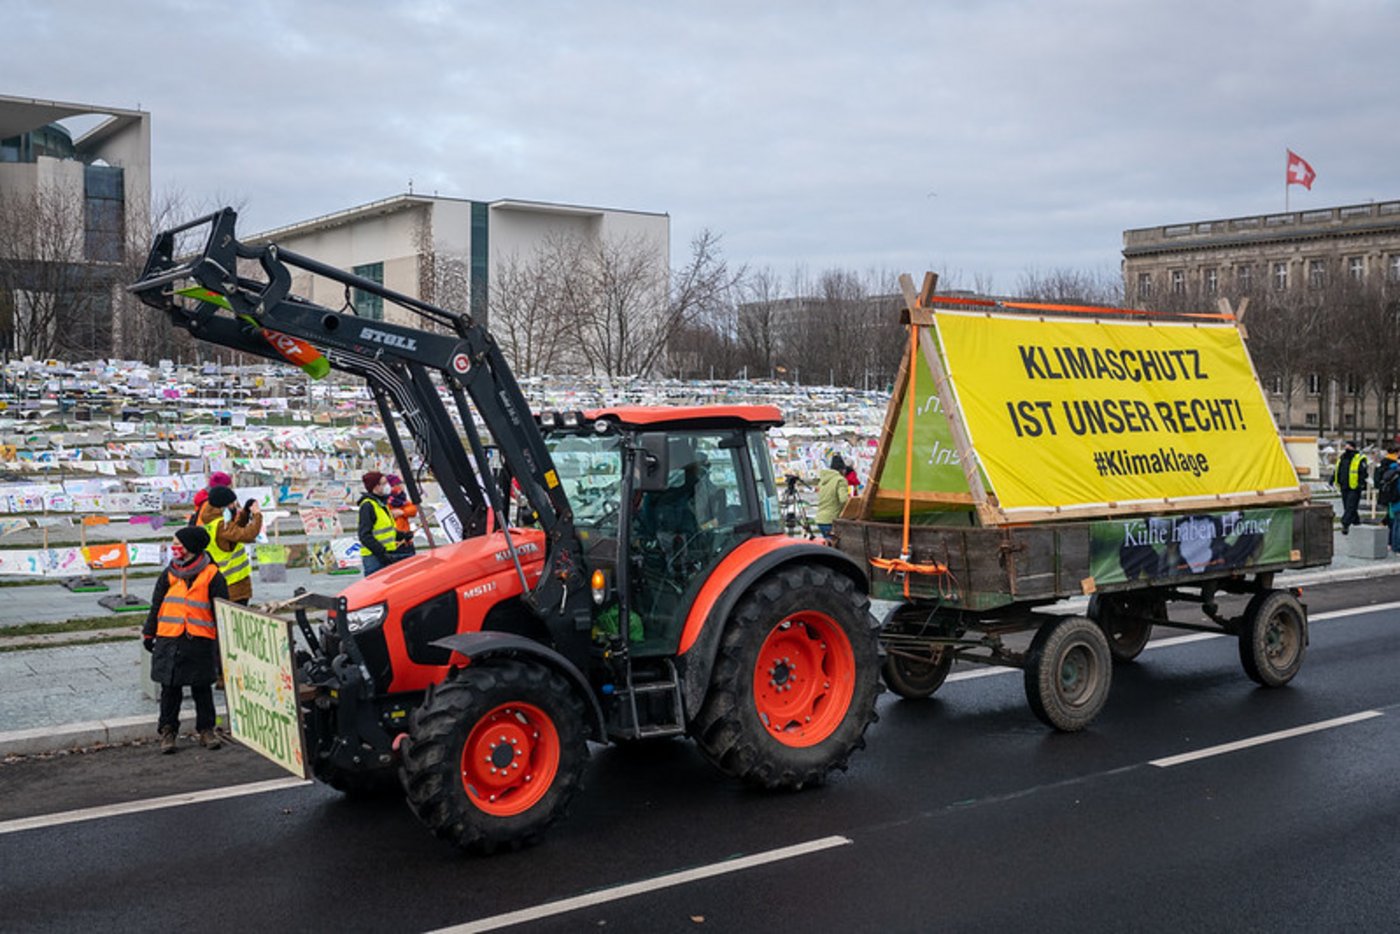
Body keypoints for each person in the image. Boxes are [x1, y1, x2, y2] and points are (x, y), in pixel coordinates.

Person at [143, 526, 228, 754]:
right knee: (170, 688)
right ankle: (168, 731)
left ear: (190, 547)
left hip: (199, 640)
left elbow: (222, 611)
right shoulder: (169, 573)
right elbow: (156, 605)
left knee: (202, 688)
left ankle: (207, 730)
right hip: (169, 638)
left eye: (178, 543)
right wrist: (149, 633)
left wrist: (225, 642)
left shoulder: (212, 575)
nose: (174, 547)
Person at [198, 485, 262, 606]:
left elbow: (235, 531)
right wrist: (257, 515)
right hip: (233, 585)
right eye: (232, 504)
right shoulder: (221, 526)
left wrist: (245, 513)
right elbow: (247, 535)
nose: (234, 507)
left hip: (223, 582)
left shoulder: (213, 522)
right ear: (223, 507)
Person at [358, 471, 401, 575]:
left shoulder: (381, 503)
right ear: (376, 487)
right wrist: (382, 553)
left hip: (385, 554)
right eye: (384, 483)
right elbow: (365, 535)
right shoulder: (368, 506)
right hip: (374, 557)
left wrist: (402, 535)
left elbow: (386, 530)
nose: (388, 486)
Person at [1333, 440, 1368, 535]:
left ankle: (1345, 524)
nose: (1346, 447)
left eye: (1348, 445)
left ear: (1353, 447)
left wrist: (1361, 484)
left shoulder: (1359, 458)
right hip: (1344, 486)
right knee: (1347, 506)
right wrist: (1333, 479)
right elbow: (1337, 470)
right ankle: (1356, 521)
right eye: (1346, 445)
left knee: (1350, 506)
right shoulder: (1342, 457)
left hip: (1354, 487)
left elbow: (1363, 472)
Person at [814, 454, 851, 538]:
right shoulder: (840, 480)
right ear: (842, 470)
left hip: (820, 519)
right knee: (835, 544)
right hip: (831, 520)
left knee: (829, 543)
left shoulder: (823, 480)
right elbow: (844, 500)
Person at [385, 474, 418, 558]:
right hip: (393, 542)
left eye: (400, 483)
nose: (401, 486)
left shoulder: (402, 499)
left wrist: (403, 512)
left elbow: (413, 510)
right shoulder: (385, 501)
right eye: (397, 484)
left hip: (406, 541)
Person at [1377, 446, 1400, 553]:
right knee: (1397, 524)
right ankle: (1396, 547)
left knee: (1394, 522)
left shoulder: (1390, 468)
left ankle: (1391, 544)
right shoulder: (1396, 471)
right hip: (1397, 500)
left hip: (1391, 500)